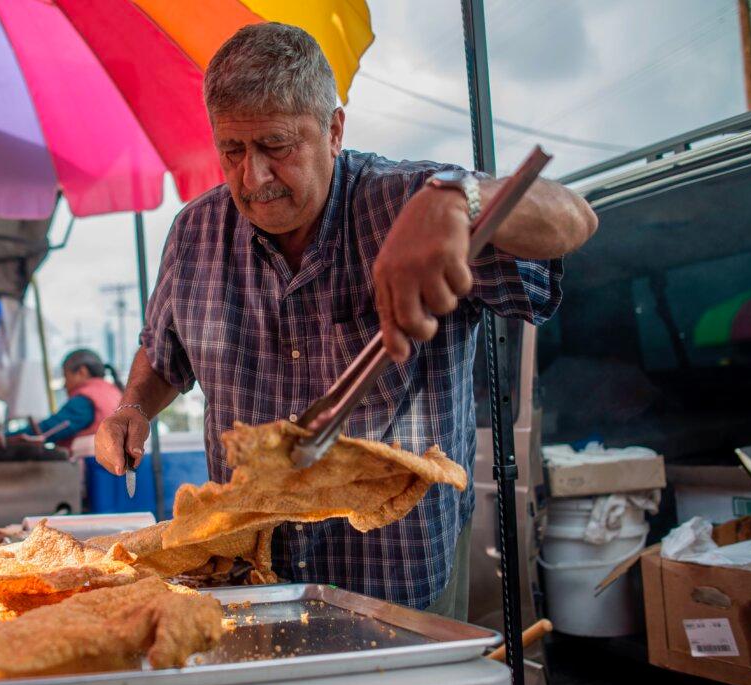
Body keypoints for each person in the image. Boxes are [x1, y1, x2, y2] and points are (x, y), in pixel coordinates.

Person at [96, 23, 597, 618]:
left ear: (334, 130)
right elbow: (165, 354)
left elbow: (575, 217)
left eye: (277, 145)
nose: (253, 179)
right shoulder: (195, 233)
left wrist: (460, 199)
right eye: (232, 150)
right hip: (251, 575)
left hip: (401, 569)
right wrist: (131, 408)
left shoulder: (409, 201)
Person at [0, 349, 124, 455]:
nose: (65, 385)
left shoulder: (86, 400)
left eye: (66, 376)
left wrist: (2, 438)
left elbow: (49, 429)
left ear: (82, 372)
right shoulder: (113, 392)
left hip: (95, 474)